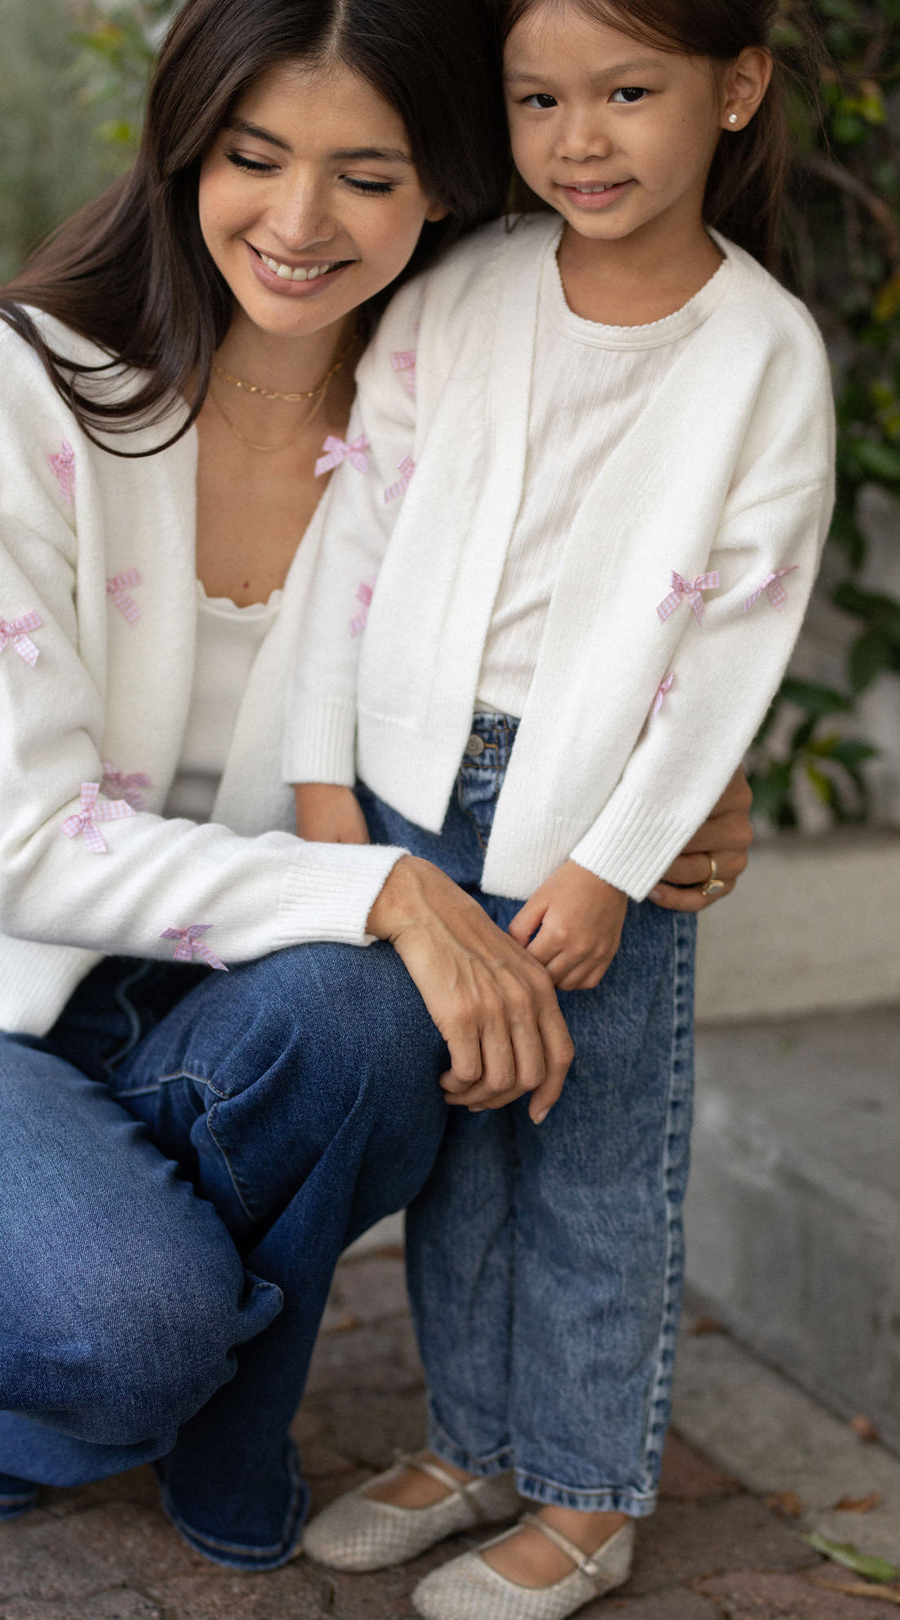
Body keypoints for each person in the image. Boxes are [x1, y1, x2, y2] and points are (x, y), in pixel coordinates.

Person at [0, 0, 751, 1577]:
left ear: (446, 187)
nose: (300, 221)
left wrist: (667, 796)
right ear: (184, 144)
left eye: (367, 176)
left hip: (231, 1006)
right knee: (121, 1325)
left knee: (376, 1021)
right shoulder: (17, 383)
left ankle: (173, 1339)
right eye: (255, 158)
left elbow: (579, 656)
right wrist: (380, 885)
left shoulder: (454, 414)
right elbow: (29, 854)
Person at [287, 0, 834, 1613]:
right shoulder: (459, 292)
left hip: (601, 814)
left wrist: (614, 860)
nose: (579, 136)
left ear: (733, 89)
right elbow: (354, 536)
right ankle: (472, 1445)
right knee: (459, 1144)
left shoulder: (763, 358)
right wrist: (330, 784)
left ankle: (589, 1498)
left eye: (627, 91)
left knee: (593, 1156)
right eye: (540, 98)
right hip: (406, 785)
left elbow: (731, 643)